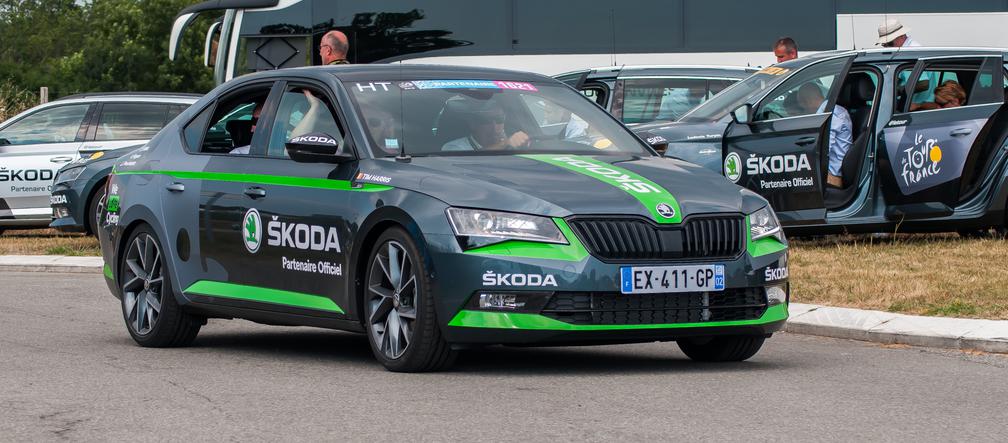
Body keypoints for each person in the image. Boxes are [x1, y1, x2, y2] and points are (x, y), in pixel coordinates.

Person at [797, 83, 851, 189]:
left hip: (832, 177)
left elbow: (822, 149)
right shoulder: (826, 112)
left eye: (801, 107)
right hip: (827, 172)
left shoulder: (833, 114)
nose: (803, 111)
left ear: (806, 102)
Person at [442, 102, 529, 151]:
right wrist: (504, 144)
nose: (494, 127)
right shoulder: (453, 147)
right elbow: (469, 163)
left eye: (499, 119)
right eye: (487, 121)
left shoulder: (513, 141)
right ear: (473, 124)